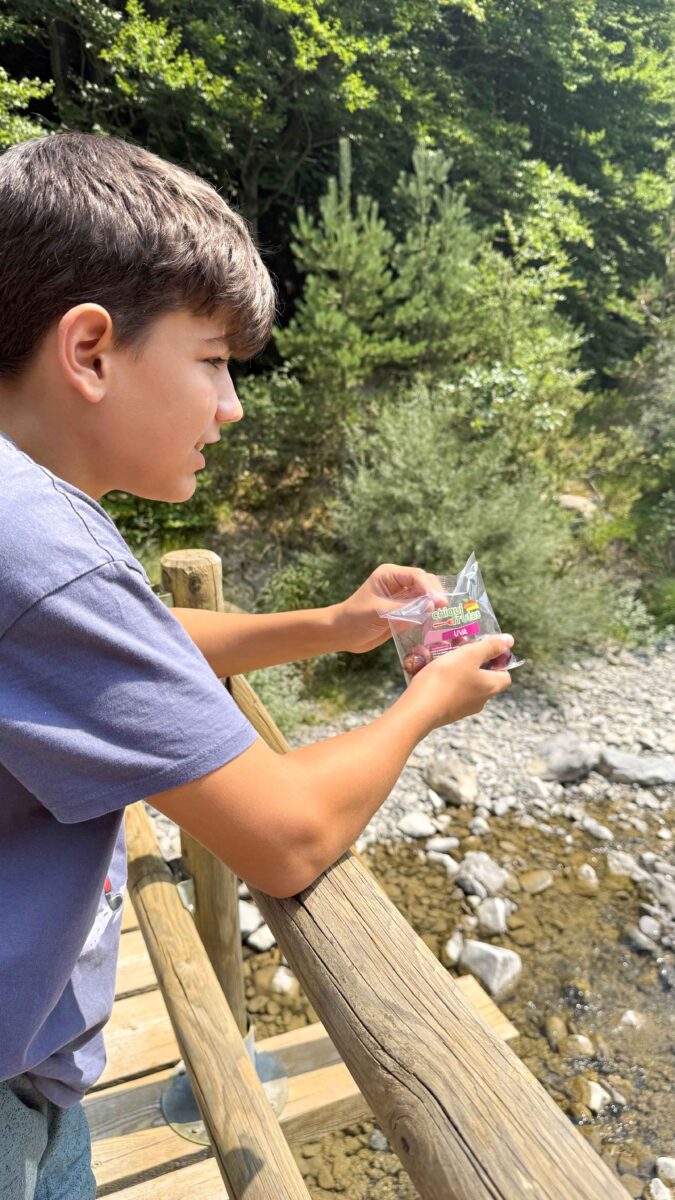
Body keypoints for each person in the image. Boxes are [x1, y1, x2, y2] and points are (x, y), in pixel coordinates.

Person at [0, 131, 513, 1199]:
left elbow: (122, 651)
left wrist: (333, 622)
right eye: (214, 363)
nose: (231, 409)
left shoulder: (25, 518)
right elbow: (286, 837)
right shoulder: (40, 548)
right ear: (90, 350)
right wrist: (426, 699)